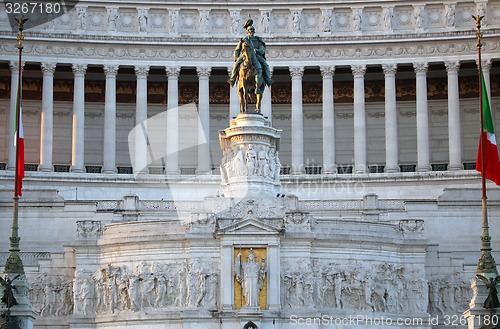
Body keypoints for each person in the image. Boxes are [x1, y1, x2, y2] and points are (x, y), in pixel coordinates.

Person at [228, 18, 273, 88]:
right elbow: (237, 49)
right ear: (247, 31)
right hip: (245, 56)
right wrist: (236, 57)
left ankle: (268, 79)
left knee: (265, 65)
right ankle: (232, 79)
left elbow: (262, 48)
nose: (251, 32)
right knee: (236, 64)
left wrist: (258, 51)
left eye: (252, 30)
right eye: (250, 30)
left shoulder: (257, 40)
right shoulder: (244, 40)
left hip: (256, 56)